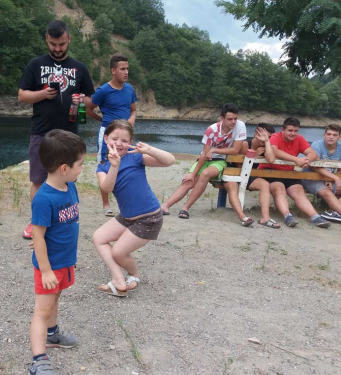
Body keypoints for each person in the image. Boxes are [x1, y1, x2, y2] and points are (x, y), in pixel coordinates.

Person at [18, 20, 95, 240]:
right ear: (46, 39)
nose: (57, 49)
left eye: (61, 44)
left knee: (68, 180)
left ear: (69, 39)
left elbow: (91, 100)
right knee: (38, 180)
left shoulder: (80, 68)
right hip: (41, 132)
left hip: (69, 135)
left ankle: (65, 220)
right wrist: (42, 94)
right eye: (53, 44)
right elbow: (22, 95)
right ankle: (36, 222)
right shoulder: (35, 64)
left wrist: (82, 100)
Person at [93, 120, 175, 296]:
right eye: (115, 138)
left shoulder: (136, 157)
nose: (119, 143)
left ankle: (134, 274)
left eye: (125, 140)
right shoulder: (103, 166)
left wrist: (150, 150)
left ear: (130, 142)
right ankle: (118, 280)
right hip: (128, 217)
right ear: (106, 138)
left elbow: (170, 161)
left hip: (149, 219)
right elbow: (106, 188)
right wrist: (114, 166)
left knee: (118, 253)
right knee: (99, 237)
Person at [28, 129, 86, 375]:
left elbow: (57, 227)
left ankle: (53, 334)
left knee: (56, 299)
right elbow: (37, 234)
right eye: (80, 164)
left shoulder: (70, 187)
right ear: (64, 168)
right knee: (42, 310)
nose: (82, 168)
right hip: (49, 267)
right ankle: (38, 361)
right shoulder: (44, 198)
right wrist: (45, 269)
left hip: (64, 262)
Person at [160, 103, 246, 218]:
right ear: (222, 119)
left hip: (220, 161)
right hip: (205, 158)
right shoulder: (212, 130)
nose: (233, 122)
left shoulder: (240, 126)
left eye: (235, 118)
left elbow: (235, 150)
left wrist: (215, 150)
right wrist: (193, 173)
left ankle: (186, 207)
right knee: (189, 181)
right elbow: (205, 154)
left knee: (205, 173)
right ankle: (165, 206)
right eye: (230, 119)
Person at [85, 54, 138, 217]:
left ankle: (126, 202)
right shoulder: (103, 90)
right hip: (107, 135)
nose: (126, 72)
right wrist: (103, 121)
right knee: (106, 165)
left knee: (127, 165)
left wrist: (129, 122)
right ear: (113, 71)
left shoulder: (129, 89)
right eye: (122, 69)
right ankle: (106, 204)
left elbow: (134, 110)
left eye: (127, 68)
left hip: (125, 135)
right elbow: (88, 109)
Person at [258, 117, 331, 228]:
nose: (293, 133)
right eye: (290, 130)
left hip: (288, 173)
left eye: (296, 131)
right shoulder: (274, 137)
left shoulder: (299, 139)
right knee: (279, 188)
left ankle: (315, 216)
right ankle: (288, 216)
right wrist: (296, 159)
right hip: (270, 172)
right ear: (283, 130)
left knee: (298, 191)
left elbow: (313, 153)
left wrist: (307, 160)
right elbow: (275, 151)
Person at [223, 123, 281, 228]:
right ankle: (242, 217)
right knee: (232, 187)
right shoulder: (245, 144)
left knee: (265, 184)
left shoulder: (265, 147)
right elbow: (239, 166)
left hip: (248, 176)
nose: (264, 139)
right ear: (256, 133)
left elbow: (271, 159)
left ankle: (265, 218)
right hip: (234, 174)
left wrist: (267, 143)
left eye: (268, 137)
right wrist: (254, 155)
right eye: (263, 136)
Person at [301, 124, 341, 222]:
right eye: (329, 134)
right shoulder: (316, 145)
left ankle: (335, 213)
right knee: (327, 193)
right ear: (324, 135)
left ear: (339, 137)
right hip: (311, 178)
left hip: (330, 179)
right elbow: (314, 166)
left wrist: (331, 180)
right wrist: (333, 178)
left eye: (334, 135)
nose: (331, 137)